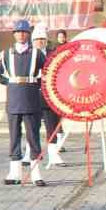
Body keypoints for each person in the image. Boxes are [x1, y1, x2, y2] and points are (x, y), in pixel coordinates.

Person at [0, 20, 47, 186]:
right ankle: (14, 173)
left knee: (33, 137)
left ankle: (36, 174)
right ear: (14, 34)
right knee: (14, 138)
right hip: (14, 100)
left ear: (28, 35)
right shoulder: (6, 54)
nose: (21, 34)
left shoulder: (38, 54)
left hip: (31, 99)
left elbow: (47, 74)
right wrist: (11, 83)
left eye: (24, 32)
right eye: (18, 32)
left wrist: (33, 84)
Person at [33, 28, 66, 167]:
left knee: (51, 127)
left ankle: (53, 155)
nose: (40, 42)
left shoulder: (53, 54)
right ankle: (30, 154)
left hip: (49, 96)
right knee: (32, 127)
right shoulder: (28, 55)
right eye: (37, 39)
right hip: (33, 94)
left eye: (42, 39)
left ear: (46, 41)